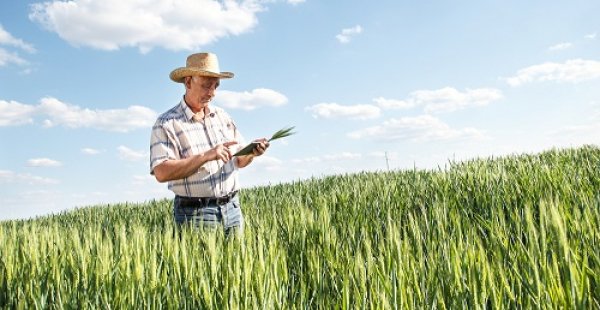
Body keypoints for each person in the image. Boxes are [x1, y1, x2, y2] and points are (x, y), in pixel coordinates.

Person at [150, 52, 269, 235]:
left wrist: (252, 152)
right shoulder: (167, 123)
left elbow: (239, 161)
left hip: (233, 209)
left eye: (216, 86)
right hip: (195, 216)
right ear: (188, 82)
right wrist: (206, 156)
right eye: (206, 86)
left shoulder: (222, 116)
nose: (212, 93)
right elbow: (161, 171)